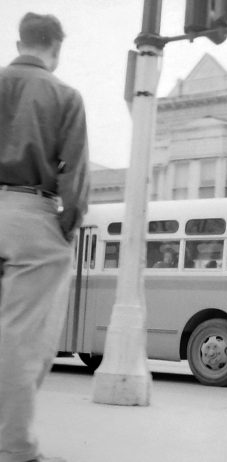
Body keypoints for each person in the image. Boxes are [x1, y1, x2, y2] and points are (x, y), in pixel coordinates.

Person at [0, 12, 89, 462]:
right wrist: (68, 225)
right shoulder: (64, 96)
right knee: (24, 338)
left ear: (19, 43)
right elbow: (74, 176)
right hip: (29, 211)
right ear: (55, 47)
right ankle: (14, 447)